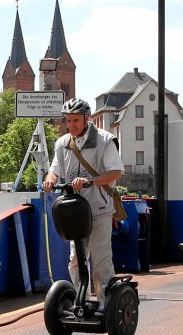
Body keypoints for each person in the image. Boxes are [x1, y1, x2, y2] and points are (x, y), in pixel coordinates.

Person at [42, 98, 124, 308]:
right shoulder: (62, 144)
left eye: (76, 120)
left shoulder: (105, 140)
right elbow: (55, 169)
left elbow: (116, 172)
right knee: (76, 260)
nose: (71, 125)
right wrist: (50, 180)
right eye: (68, 121)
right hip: (75, 212)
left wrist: (91, 181)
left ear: (87, 118)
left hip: (99, 208)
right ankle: (83, 301)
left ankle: (107, 305)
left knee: (101, 258)